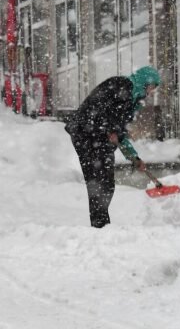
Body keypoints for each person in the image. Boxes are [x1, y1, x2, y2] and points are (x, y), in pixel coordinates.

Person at [65, 65, 161, 228]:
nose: (151, 91)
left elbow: (120, 135)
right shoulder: (121, 85)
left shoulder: (132, 102)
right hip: (86, 133)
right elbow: (96, 106)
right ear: (145, 82)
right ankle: (100, 225)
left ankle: (101, 224)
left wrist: (134, 158)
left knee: (106, 182)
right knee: (98, 180)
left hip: (98, 137)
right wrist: (107, 128)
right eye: (151, 87)